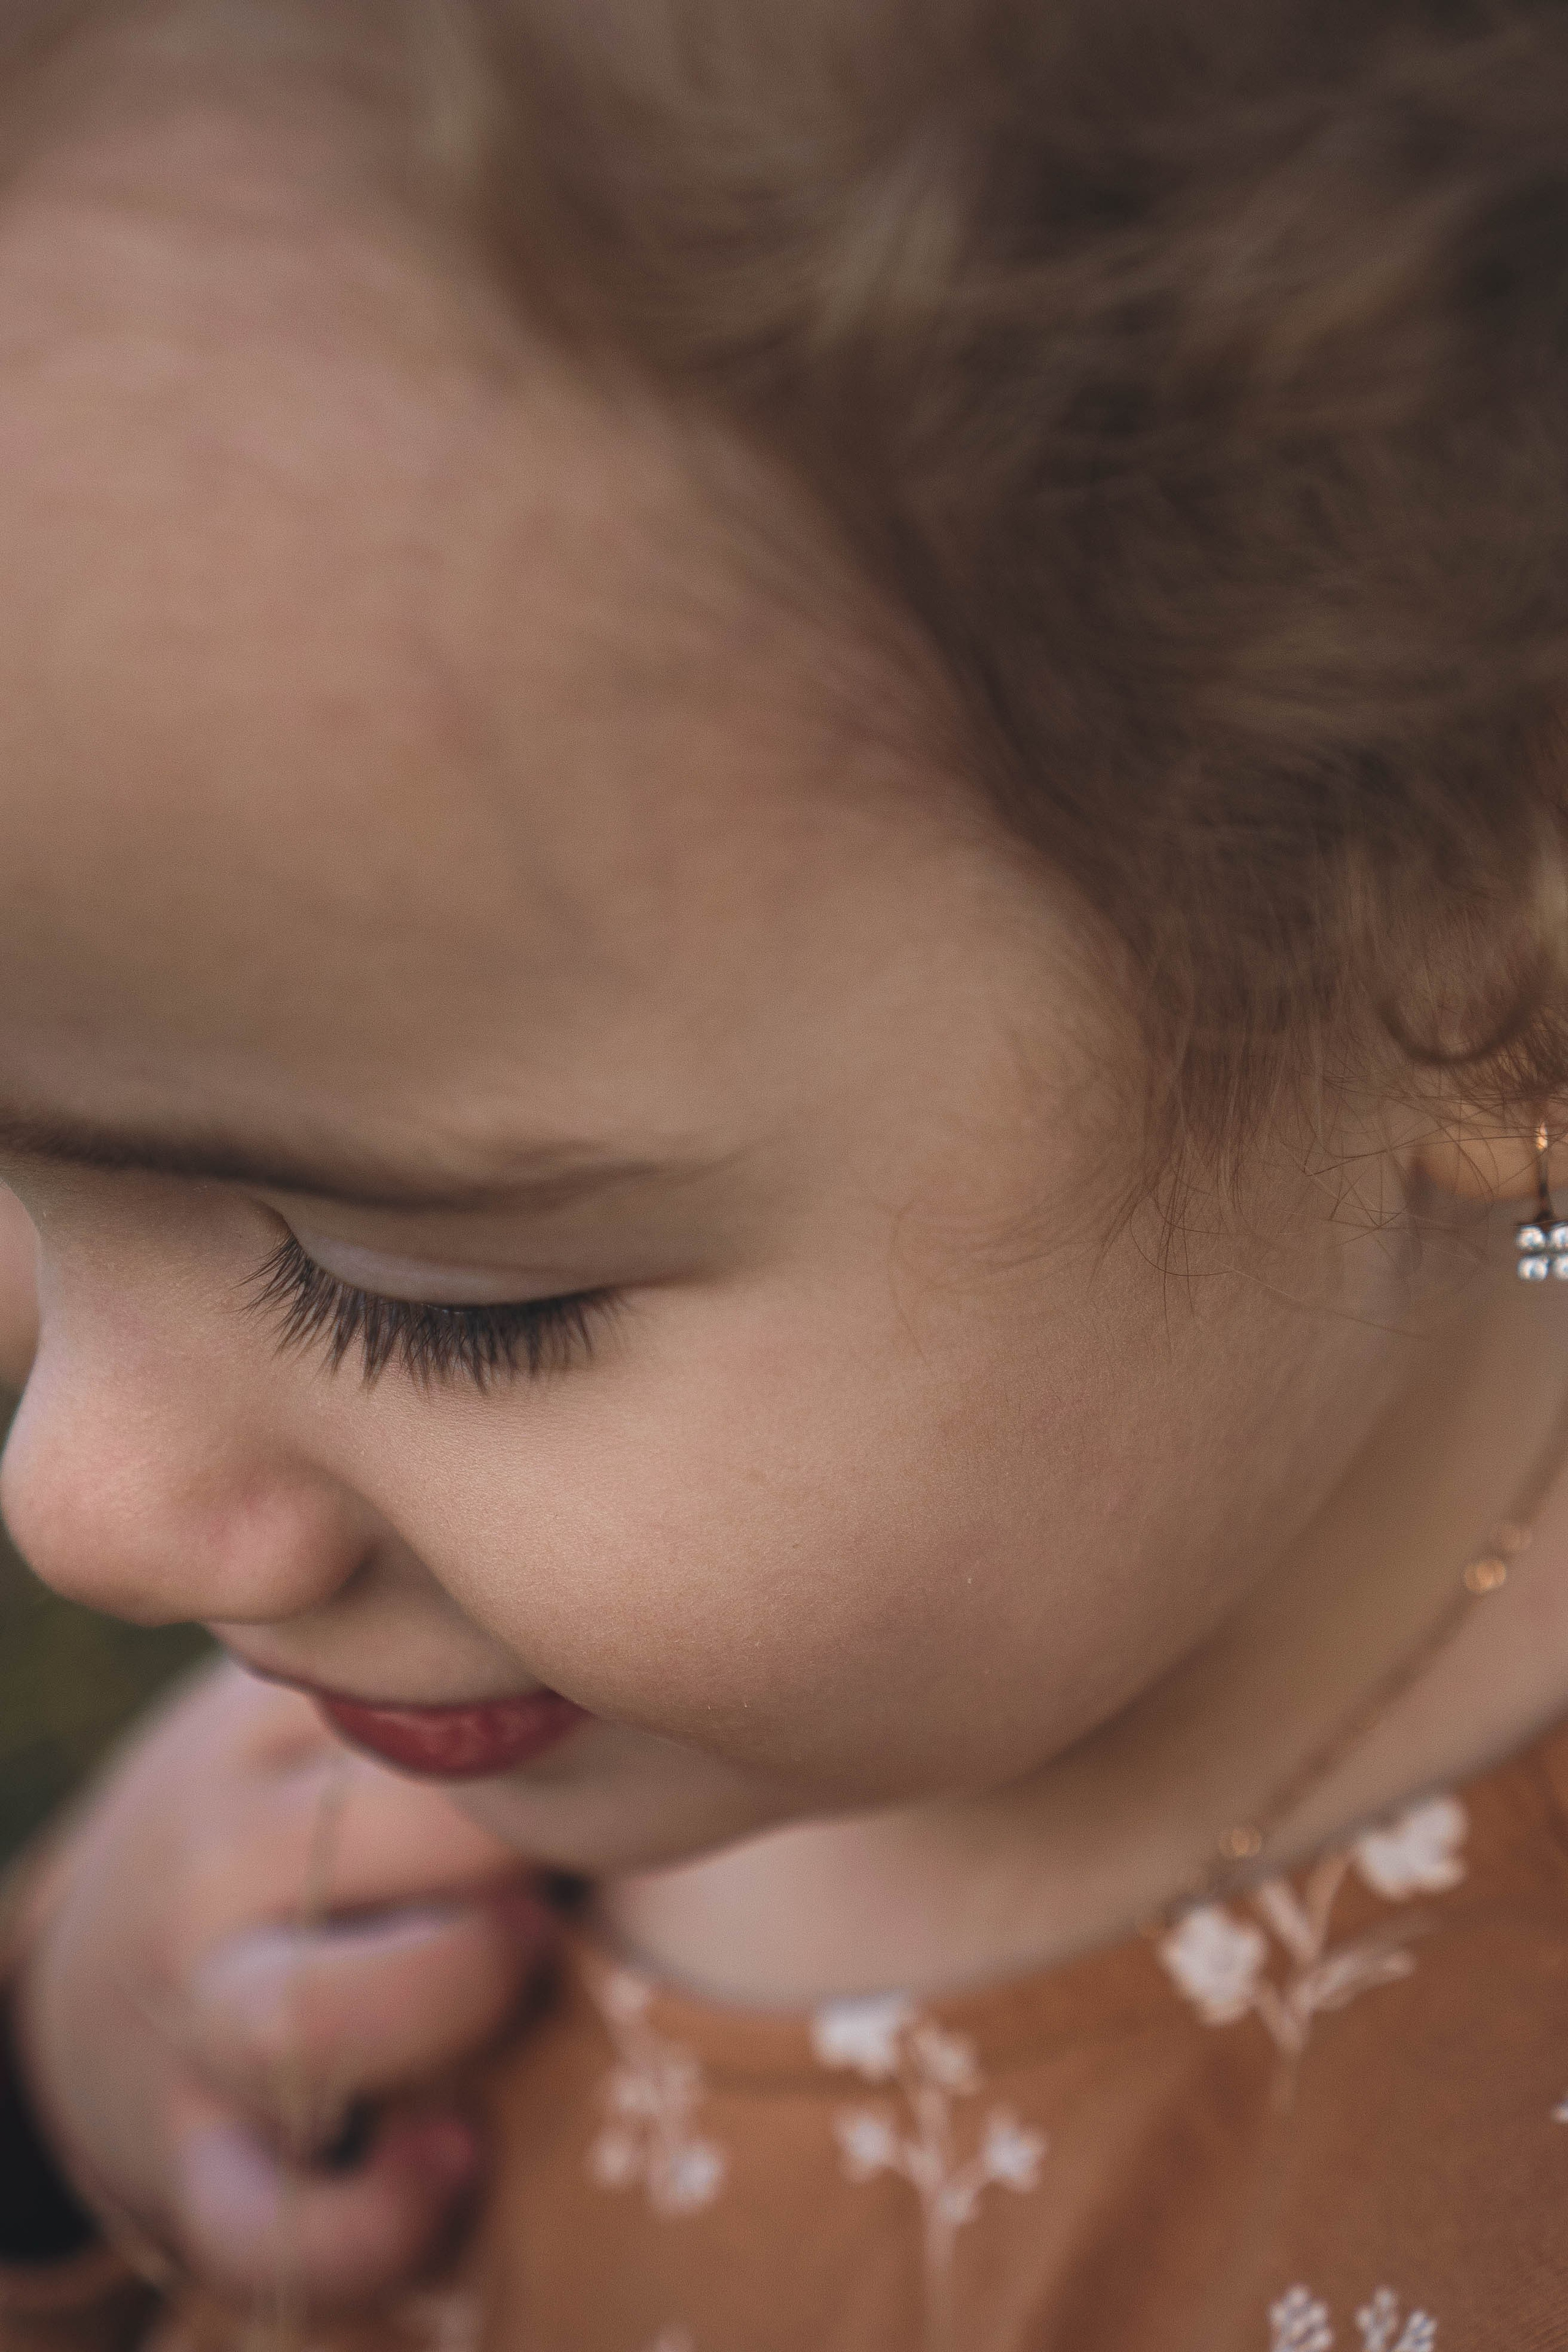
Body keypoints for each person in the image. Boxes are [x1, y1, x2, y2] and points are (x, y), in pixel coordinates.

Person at [2, 0, 1568, 2343]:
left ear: (1466, 948)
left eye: (425, 1299)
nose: (78, 1502)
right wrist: (59, 2107)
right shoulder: (427, 1725)